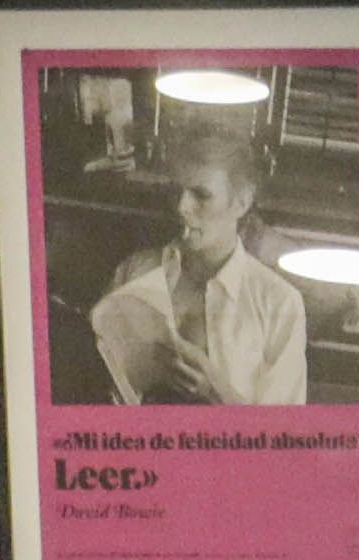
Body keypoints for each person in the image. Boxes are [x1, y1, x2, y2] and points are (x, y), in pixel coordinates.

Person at [93, 109, 320, 408]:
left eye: (201, 195)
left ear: (241, 201)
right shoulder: (134, 272)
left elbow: (284, 441)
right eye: (176, 191)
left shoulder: (279, 303)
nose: (181, 207)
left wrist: (215, 390)